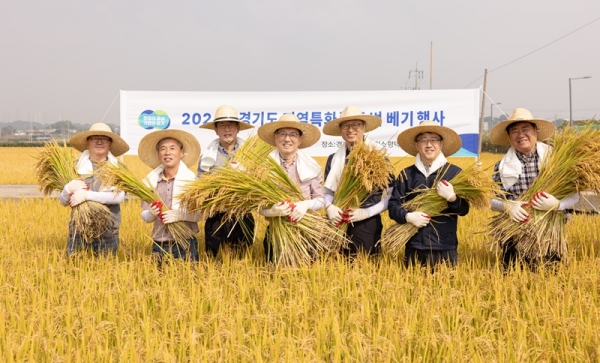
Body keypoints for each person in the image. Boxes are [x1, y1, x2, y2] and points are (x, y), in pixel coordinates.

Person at [490, 108, 579, 269]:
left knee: (551, 279)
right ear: (509, 137)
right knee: (511, 281)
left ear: (536, 132)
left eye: (525, 129)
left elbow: (575, 196)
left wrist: (558, 205)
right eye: (514, 131)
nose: (520, 135)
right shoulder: (501, 167)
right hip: (514, 234)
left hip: (549, 234)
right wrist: (506, 206)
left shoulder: (555, 159)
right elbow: (490, 199)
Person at [388, 120, 469, 269]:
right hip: (415, 245)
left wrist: (452, 198)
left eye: (433, 140)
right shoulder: (407, 174)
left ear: (441, 144)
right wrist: (408, 216)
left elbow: (464, 210)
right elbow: (393, 206)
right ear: (416, 145)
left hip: (445, 246)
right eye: (423, 140)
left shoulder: (455, 173)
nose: (429, 144)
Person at [322, 105, 393, 257]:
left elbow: (391, 195)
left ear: (364, 127)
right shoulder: (333, 159)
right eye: (346, 125)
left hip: (366, 224)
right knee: (334, 265)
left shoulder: (379, 158)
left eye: (356, 125)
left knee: (364, 267)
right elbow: (328, 191)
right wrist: (329, 207)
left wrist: (367, 212)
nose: (351, 129)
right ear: (340, 129)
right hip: (337, 220)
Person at [257, 114, 325, 261]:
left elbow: (320, 200)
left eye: (293, 134)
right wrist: (271, 211)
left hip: (306, 231)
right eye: (283, 134)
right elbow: (258, 205)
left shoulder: (312, 167)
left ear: (299, 140)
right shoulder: (263, 167)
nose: (287, 139)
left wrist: (305, 205)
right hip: (277, 229)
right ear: (275, 137)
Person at [59, 123, 130, 256]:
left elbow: (118, 197)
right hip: (79, 231)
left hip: (108, 233)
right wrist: (67, 189)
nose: (99, 141)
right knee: (75, 273)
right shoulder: (74, 167)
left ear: (110, 143)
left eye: (104, 138)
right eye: (94, 138)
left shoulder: (119, 169)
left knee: (105, 273)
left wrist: (87, 195)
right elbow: (63, 201)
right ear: (87, 142)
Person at [197, 105, 256, 257]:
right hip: (216, 217)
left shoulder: (250, 154)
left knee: (242, 261)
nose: (227, 129)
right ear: (216, 130)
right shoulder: (207, 157)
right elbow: (200, 187)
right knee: (214, 261)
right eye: (222, 125)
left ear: (238, 128)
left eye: (230, 125)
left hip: (242, 216)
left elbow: (258, 182)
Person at [138, 129, 202, 265]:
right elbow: (144, 216)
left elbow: (200, 214)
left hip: (185, 243)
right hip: (159, 244)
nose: (167, 152)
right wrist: (150, 213)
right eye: (163, 149)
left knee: (188, 283)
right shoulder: (150, 183)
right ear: (158, 154)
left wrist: (180, 215)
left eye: (172, 148)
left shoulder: (192, 182)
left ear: (181, 153)